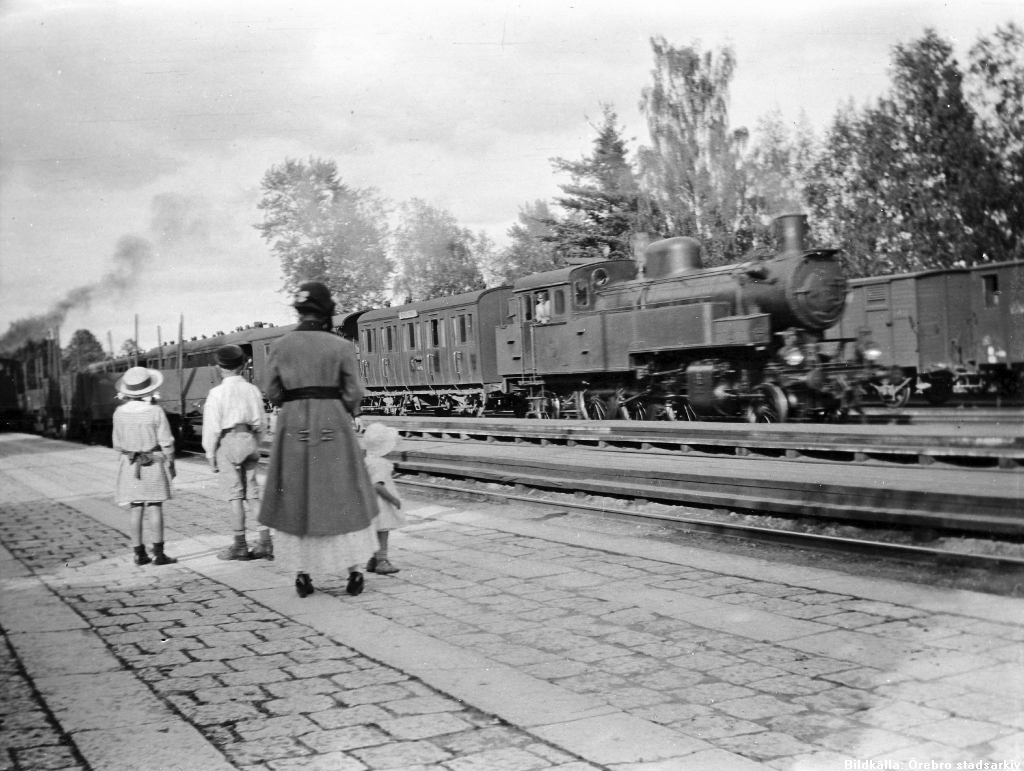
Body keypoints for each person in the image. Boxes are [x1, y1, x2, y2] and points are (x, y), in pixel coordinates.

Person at [258, 281, 379, 598]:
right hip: (333, 421)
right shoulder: (340, 346)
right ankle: (354, 571)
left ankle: (302, 574)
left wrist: (293, 405)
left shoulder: (280, 346)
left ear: (298, 310)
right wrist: (341, 409)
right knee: (342, 492)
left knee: (298, 494)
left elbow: (271, 390)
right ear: (327, 310)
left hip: (293, 422)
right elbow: (355, 393)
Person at [201, 344, 272, 561]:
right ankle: (265, 543)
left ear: (218, 367)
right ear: (243, 365)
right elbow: (262, 422)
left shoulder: (216, 393)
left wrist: (210, 454)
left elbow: (212, 427)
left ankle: (240, 546)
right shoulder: (252, 390)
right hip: (248, 438)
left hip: (227, 441)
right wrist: (254, 442)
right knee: (252, 494)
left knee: (235, 497)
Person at [112, 366, 177, 566]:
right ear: (147, 390)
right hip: (154, 462)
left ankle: (139, 554)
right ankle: (159, 553)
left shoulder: (119, 413)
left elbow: (117, 443)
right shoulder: (155, 411)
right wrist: (171, 463)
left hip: (131, 464)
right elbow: (166, 441)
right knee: (156, 506)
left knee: (136, 508)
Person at [361, 422, 405, 575]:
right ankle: (382, 561)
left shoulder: (366, 461)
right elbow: (378, 486)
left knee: (374, 532)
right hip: (381, 505)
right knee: (383, 532)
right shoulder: (382, 464)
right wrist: (393, 499)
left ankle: (372, 560)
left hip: (368, 503)